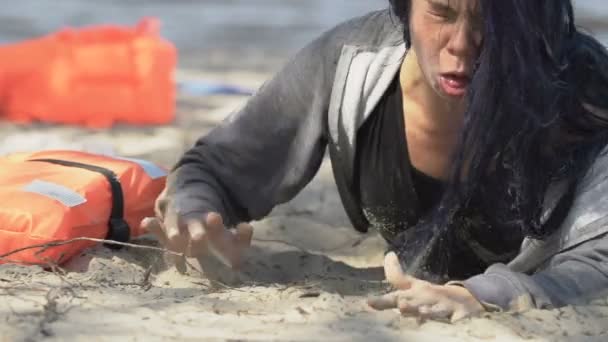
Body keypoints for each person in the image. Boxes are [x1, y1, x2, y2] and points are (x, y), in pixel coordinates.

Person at [142, 0, 608, 322]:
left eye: (492, 22)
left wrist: (483, 296)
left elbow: (598, 260)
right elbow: (215, 166)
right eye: (441, 12)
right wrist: (196, 215)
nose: (461, 44)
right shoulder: (352, 64)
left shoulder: (585, 98)